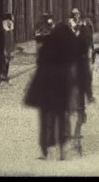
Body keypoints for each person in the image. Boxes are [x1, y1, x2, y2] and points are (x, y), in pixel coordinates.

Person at [24, 22, 75, 160]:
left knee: (45, 119)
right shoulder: (67, 50)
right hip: (61, 89)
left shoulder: (46, 47)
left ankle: (45, 149)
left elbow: (40, 64)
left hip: (45, 88)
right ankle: (62, 149)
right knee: (61, 117)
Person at [66, 18, 93, 155]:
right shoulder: (83, 56)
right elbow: (87, 77)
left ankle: (69, 138)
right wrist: (89, 94)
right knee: (78, 113)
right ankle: (76, 141)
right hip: (77, 87)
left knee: (69, 112)